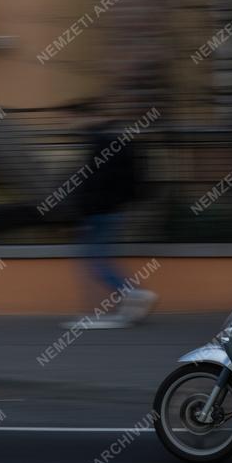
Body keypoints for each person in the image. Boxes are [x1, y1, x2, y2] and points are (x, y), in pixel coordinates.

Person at [68, 121, 157, 329]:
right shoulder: (117, 152)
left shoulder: (97, 153)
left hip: (98, 214)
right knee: (99, 260)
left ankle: (134, 293)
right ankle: (131, 297)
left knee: (97, 262)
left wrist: (82, 216)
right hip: (114, 212)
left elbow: (90, 187)